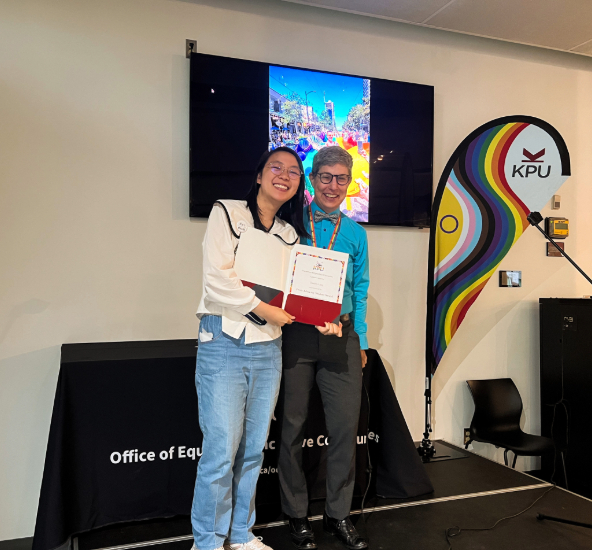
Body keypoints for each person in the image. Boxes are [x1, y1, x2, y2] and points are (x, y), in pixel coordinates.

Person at [191, 147, 310, 550]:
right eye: (276, 167)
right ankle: (207, 542)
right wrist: (263, 309)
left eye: (293, 171)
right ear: (259, 175)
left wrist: (319, 316)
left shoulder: (289, 234)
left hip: (268, 347)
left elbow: (295, 294)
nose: (284, 175)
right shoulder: (226, 212)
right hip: (224, 340)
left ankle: (241, 535)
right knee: (221, 451)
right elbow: (216, 280)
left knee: (254, 450)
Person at [278, 146, 370, 550]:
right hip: (296, 333)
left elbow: (361, 289)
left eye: (341, 178)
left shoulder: (356, 233)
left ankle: (338, 514)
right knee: (292, 427)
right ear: (313, 180)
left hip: (341, 336)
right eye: (326, 177)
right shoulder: (290, 225)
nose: (333, 186)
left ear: (349, 183)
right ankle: (296, 514)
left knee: (345, 429)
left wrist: (361, 339)